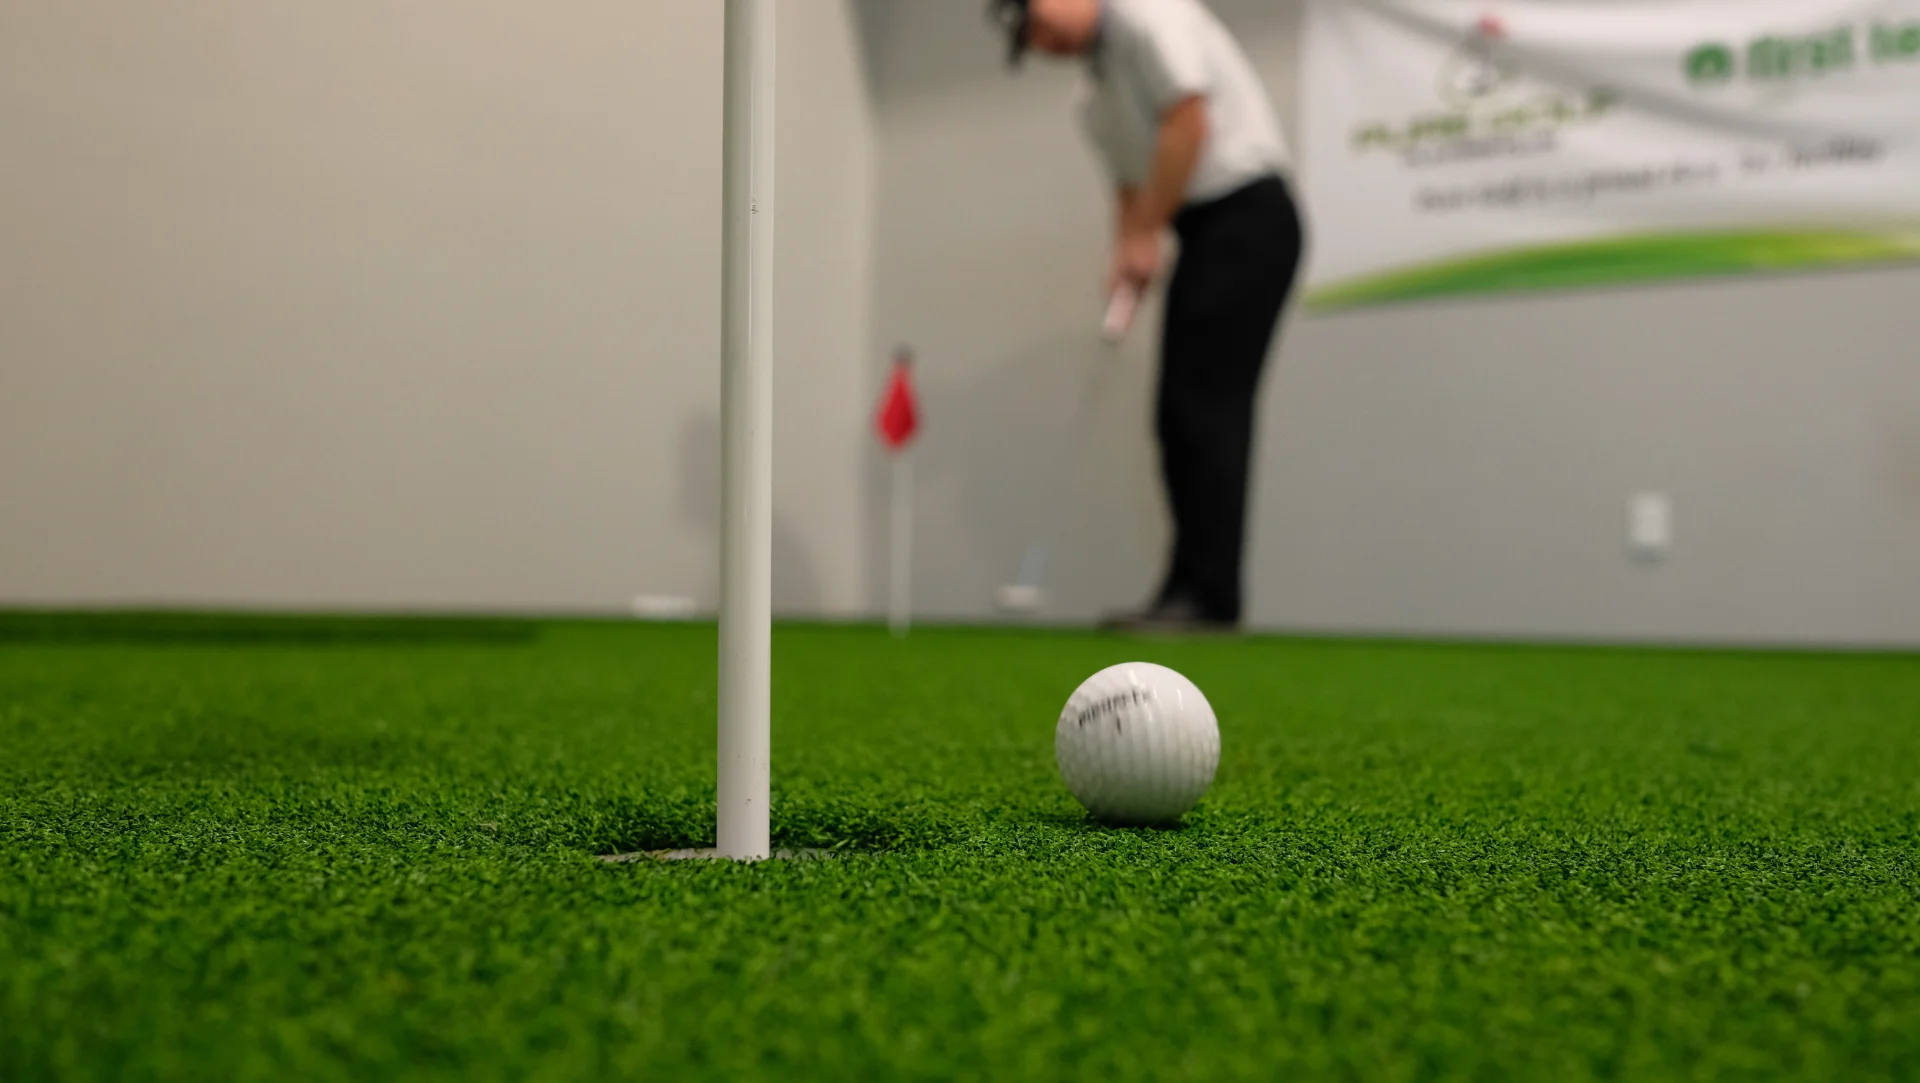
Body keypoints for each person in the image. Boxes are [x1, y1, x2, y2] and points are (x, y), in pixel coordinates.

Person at [991, 0, 1304, 633]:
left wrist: (1146, 232)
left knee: (1205, 409)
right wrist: (1127, 252)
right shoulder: (1092, 97)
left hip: (1250, 216)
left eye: (1036, 17)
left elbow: (1188, 123)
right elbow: (1130, 186)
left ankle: (1207, 597)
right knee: (1179, 415)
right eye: (1029, 37)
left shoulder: (1146, 13)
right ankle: (1192, 588)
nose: (1041, 37)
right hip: (1201, 228)